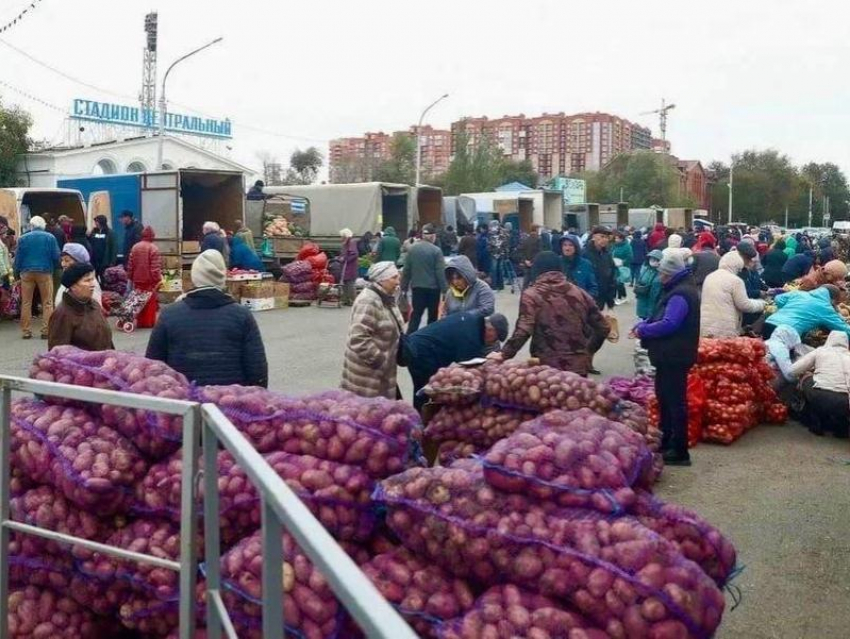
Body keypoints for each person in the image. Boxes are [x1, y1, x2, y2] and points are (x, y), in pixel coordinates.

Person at [146, 249, 268, 387]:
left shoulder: (169, 315)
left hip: (182, 402)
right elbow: (257, 369)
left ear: (194, 276)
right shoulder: (242, 316)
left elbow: (152, 367)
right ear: (222, 276)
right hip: (229, 404)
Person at [494, 251, 610, 376]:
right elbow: (603, 327)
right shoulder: (579, 293)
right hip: (578, 368)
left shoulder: (532, 295)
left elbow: (524, 330)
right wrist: (588, 351)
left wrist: (503, 354)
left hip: (546, 370)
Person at [633, 252, 701, 466]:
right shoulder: (677, 289)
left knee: (675, 401)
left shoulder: (681, 294)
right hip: (669, 355)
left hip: (675, 355)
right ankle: (667, 441)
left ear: (671, 274)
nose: (660, 277)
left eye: (662, 273)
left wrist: (644, 330)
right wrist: (645, 323)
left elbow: (670, 323)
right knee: (665, 397)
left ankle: (679, 450)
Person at [403, 311, 508, 410]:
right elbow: (470, 367)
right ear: (491, 330)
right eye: (496, 338)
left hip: (416, 345)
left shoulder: (473, 320)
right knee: (426, 391)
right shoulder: (472, 337)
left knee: (425, 390)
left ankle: (422, 418)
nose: (493, 342)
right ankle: (421, 422)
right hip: (421, 352)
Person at [340, 261, 404, 399]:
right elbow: (358, 338)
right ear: (381, 280)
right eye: (394, 278)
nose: (398, 281)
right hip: (368, 375)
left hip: (381, 372)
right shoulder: (368, 300)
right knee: (369, 413)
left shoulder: (386, 297)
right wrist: (380, 360)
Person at [790, 331, 850, 438]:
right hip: (846, 403)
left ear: (829, 340)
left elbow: (793, 370)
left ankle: (816, 422)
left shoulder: (820, 351)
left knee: (806, 377)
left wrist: (811, 371)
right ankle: (842, 426)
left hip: (820, 397)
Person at [47, 262, 114, 352]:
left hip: (105, 363)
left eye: (92, 279)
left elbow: (107, 340)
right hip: (82, 365)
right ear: (73, 286)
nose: (92, 284)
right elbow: (57, 354)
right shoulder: (62, 314)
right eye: (87, 280)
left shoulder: (94, 305)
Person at [14, 216, 61, 340]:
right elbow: (56, 256)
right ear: (43, 225)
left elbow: (18, 257)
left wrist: (16, 272)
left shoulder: (22, 238)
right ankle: (46, 330)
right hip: (45, 271)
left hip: (26, 272)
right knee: (47, 302)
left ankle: (26, 331)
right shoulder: (50, 238)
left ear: (31, 225)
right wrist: (57, 267)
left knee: (26, 302)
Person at [700, 251, 765, 337]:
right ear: (737, 265)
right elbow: (744, 305)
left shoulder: (710, 277)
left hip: (705, 324)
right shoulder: (735, 281)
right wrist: (762, 304)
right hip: (724, 327)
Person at [402, 225, 447, 333]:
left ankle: (409, 339)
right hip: (433, 289)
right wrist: (445, 289)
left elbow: (406, 270)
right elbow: (440, 272)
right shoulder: (436, 251)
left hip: (417, 288)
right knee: (432, 317)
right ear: (433, 236)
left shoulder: (412, 250)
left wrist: (403, 287)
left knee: (416, 315)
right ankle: (428, 339)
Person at [763, 285, 850, 340]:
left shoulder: (799, 294)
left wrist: (788, 308)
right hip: (787, 332)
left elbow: (778, 298)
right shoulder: (825, 308)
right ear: (832, 300)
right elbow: (843, 328)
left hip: (769, 323)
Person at [126, 226, 162, 329]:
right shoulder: (153, 248)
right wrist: (158, 279)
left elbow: (130, 265)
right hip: (149, 280)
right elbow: (155, 268)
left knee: (138, 300)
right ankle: (149, 322)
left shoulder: (135, 247)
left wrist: (130, 277)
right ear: (152, 236)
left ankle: (140, 322)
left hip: (137, 279)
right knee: (150, 302)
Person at [55, 243, 103, 307]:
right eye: (62, 260)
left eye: (67, 260)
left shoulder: (89, 283)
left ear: (79, 262)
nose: (63, 264)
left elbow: (96, 309)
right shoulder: (68, 279)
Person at [583, 226, 616, 311]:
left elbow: (611, 278)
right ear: (594, 237)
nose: (604, 239)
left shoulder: (607, 255)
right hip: (587, 298)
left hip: (601, 298)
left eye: (607, 237)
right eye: (602, 236)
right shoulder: (584, 254)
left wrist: (610, 301)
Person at [635, 250, 664, 320]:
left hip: (645, 306)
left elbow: (654, 296)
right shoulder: (648, 270)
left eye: (656, 259)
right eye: (651, 259)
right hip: (645, 306)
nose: (653, 261)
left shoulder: (646, 270)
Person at [88, 215, 117, 282]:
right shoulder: (94, 231)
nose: (95, 223)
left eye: (97, 221)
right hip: (94, 260)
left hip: (105, 260)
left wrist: (112, 261)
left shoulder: (110, 233)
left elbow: (113, 247)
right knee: (94, 278)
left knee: (104, 278)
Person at [339, 228, 359, 306]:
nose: (341, 238)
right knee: (345, 283)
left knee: (350, 284)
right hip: (346, 266)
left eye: (342, 236)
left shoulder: (351, 242)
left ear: (345, 236)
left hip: (350, 267)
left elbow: (354, 254)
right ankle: (346, 299)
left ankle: (353, 300)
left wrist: (345, 259)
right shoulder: (346, 243)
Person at [612, 232, 633, 304]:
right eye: (615, 238)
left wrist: (622, 262)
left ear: (622, 239)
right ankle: (621, 296)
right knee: (615, 282)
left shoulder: (627, 246)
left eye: (617, 238)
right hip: (614, 266)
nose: (616, 240)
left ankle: (619, 297)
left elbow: (630, 257)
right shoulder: (614, 246)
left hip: (622, 266)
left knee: (619, 282)